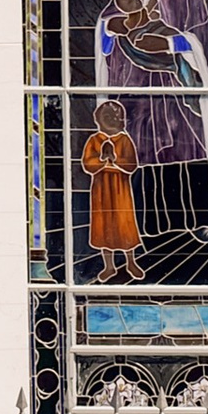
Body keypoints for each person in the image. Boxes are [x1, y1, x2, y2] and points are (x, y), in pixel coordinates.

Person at [94, 0, 208, 245]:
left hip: (176, 95)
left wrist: (167, 44)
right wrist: (111, 29)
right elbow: (105, 36)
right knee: (141, 156)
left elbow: (199, 39)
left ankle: (197, 221)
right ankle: (145, 225)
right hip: (137, 95)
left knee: (186, 151)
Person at [82, 98, 143, 281]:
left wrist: (115, 159)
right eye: (107, 116)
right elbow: (87, 163)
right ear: (98, 119)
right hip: (101, 189)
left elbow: (132, 164)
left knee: (125, 225)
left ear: (122, 120)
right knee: (104, 226)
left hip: (120, 189)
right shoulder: (94, 140)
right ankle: (109, 266)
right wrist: (101, 159)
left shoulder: (124, 140)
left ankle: (131, 262)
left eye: (116, 116)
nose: (111, 120)